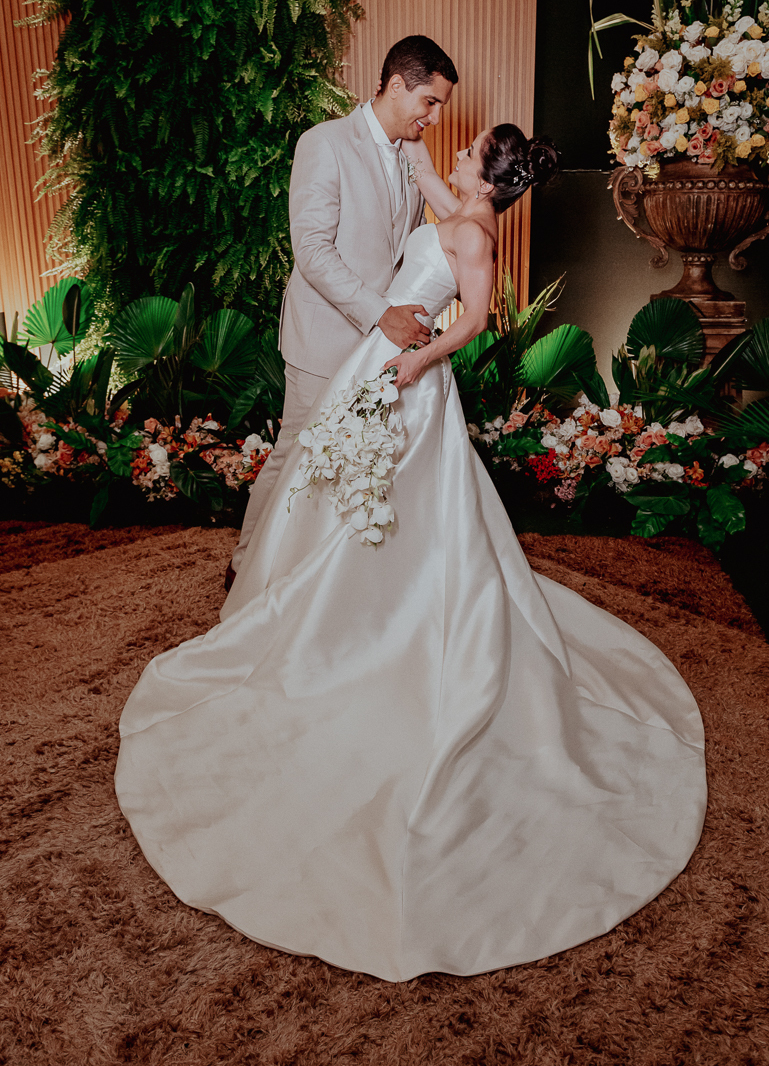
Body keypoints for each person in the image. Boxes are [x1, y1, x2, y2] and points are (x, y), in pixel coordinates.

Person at [115, 122, 706, 983]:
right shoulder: (459, 204)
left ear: (491, 181)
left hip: (407, 379)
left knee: (402, 508)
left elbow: (473, 320)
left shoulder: (474, 232)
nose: (455, 153)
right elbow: (429, 179)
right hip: (377, 362)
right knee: (342, 494)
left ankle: (389, 623)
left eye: (470, 153)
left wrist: (416, 361)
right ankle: (344, 606)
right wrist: (406, 134)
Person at [225, 35, 458, 590]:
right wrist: (381, 314)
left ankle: (324, 577)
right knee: (295, 454)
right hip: (325, 334)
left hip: (379, 345)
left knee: (354, 461)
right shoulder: (324, 143)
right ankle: (242, 565)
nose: (435, 116)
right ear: (396, 85)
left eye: (441, 105)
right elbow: (312, 251)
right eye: (430, 101)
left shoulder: (412, 155)